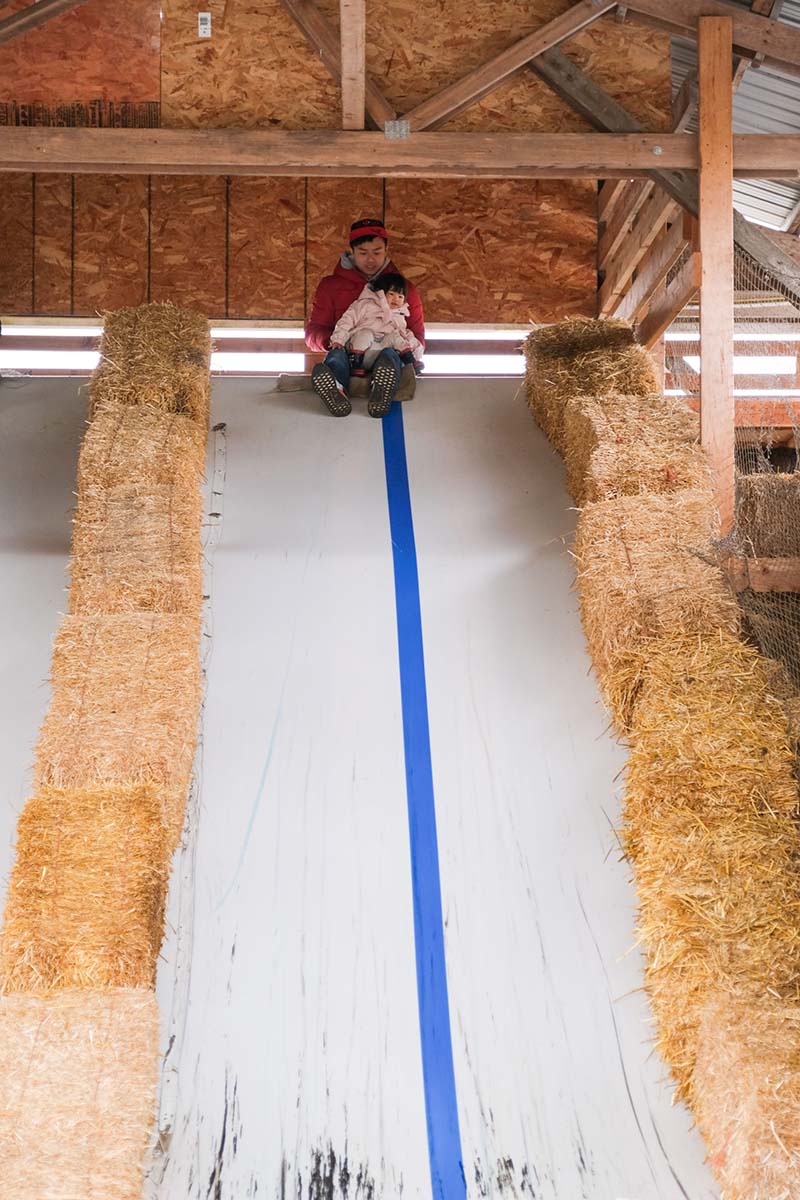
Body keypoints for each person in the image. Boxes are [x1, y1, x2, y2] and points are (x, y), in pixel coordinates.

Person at [305, 218, 425, 418]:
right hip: (349, 352)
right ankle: (336, 388)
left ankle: (381, 387)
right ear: (351, 250)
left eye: (377, 252)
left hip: (387, 350)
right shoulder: (330, 286)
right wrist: (337, 341)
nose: (370, 259)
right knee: (336, 357)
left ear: (386, 249)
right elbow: (313, 333)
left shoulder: (405, 290)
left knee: (390, 355)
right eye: (363, 253)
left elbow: (418, 335)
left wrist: (410, 349)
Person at [329, 273, 424, 378]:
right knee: (365, 334)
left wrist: (416, 351)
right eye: (391, 294)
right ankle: (355, 364)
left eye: (400, 296)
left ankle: (410, 363)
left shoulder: (399, 315)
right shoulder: (365, 305)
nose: (396, 299)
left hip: (382, 351)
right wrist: (338, 340)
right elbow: (347, 320)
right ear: (380, 293)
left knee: (395, 337)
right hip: (361, 348)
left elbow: (404, 334)